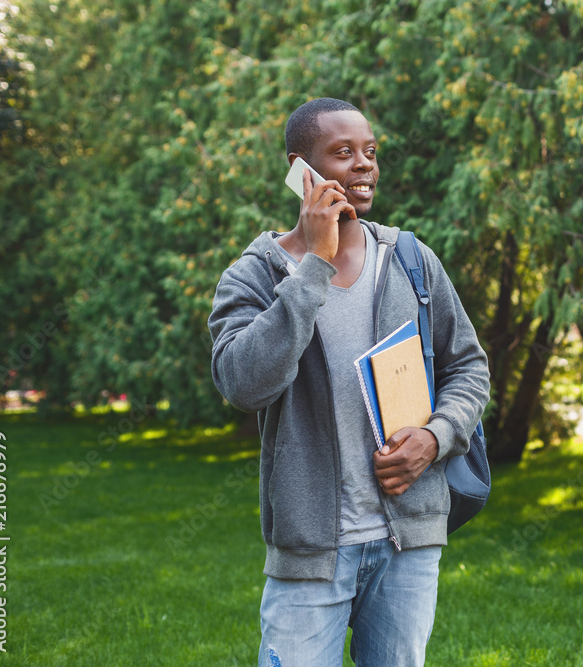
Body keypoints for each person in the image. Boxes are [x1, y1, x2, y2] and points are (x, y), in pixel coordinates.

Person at [208, 97, 490, 666]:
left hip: (407, 542)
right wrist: (314, 264)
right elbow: (242, 383)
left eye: (370, 152)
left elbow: (469, 366)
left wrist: (435, 438)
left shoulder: (408, 259)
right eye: (343, 153)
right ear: (300, 169)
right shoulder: (257, 274)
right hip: (311, 552)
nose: (364, 165)